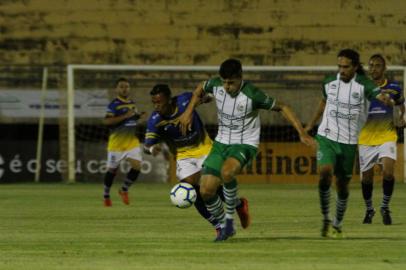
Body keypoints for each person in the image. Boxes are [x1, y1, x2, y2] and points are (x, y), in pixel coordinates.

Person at [179, 58, 315, 241]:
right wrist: (188, 112)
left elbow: (283, 106)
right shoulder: (216, 85)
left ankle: (228, 223)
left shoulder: (253, 94)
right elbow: (199, 89)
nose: (227, 86)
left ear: (241, 78)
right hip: (221, 144)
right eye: (224, 82)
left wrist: (301, 132)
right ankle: (234, 211)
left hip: (245, 144)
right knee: (205, 191)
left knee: (227, 173)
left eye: (231, 83)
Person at [305, 49, 394, 237]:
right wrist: (311, 125)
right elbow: (323, 103)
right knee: (324, 173)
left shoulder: (364, 84)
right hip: (327, 136)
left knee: (342, 187)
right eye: (339, 66)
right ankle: (326, 218)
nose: (341, 70)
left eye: (345, 67)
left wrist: (386, 100)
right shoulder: (329, 82)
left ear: (354, 67)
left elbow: (378, 95)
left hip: (349, 142)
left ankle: (337, 223)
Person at [144, 84, 250, 237]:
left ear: (169, 100)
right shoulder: (155, 120)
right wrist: (153, 149)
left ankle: (239, 205)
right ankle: (219, 226)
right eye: (153, 102)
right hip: (183, 155)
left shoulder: (185, 100)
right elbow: (147, 146)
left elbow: (203, 96)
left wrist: (211, 97)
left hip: (205, 148)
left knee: (208, 188)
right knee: (192, 190)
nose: (156, 106)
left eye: (159, 102)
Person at [358, 54, 405, 225]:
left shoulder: (394, 87)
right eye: (371, 65)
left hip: (387, 135)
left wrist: (403, 116)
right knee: (366, 178)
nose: (373, 68)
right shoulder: (362, 88)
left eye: (377, 65)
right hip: (366, 138)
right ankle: (369, 209)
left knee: (388, 171)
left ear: (384, 69)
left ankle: (385, 207)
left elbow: (401, 104)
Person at [102, 77, 146, 207]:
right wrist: (125, 116)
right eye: (121, 86)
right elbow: (107, 121)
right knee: (112, 170)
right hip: (117, 144)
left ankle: (124, 190)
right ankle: (106, 195)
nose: (124, 89)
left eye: (126, 86)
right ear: (116, 89)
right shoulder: (113, 105)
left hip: (131, 142)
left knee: (137, 166)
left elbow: (132, 120)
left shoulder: (131, 103)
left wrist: (139, 117)